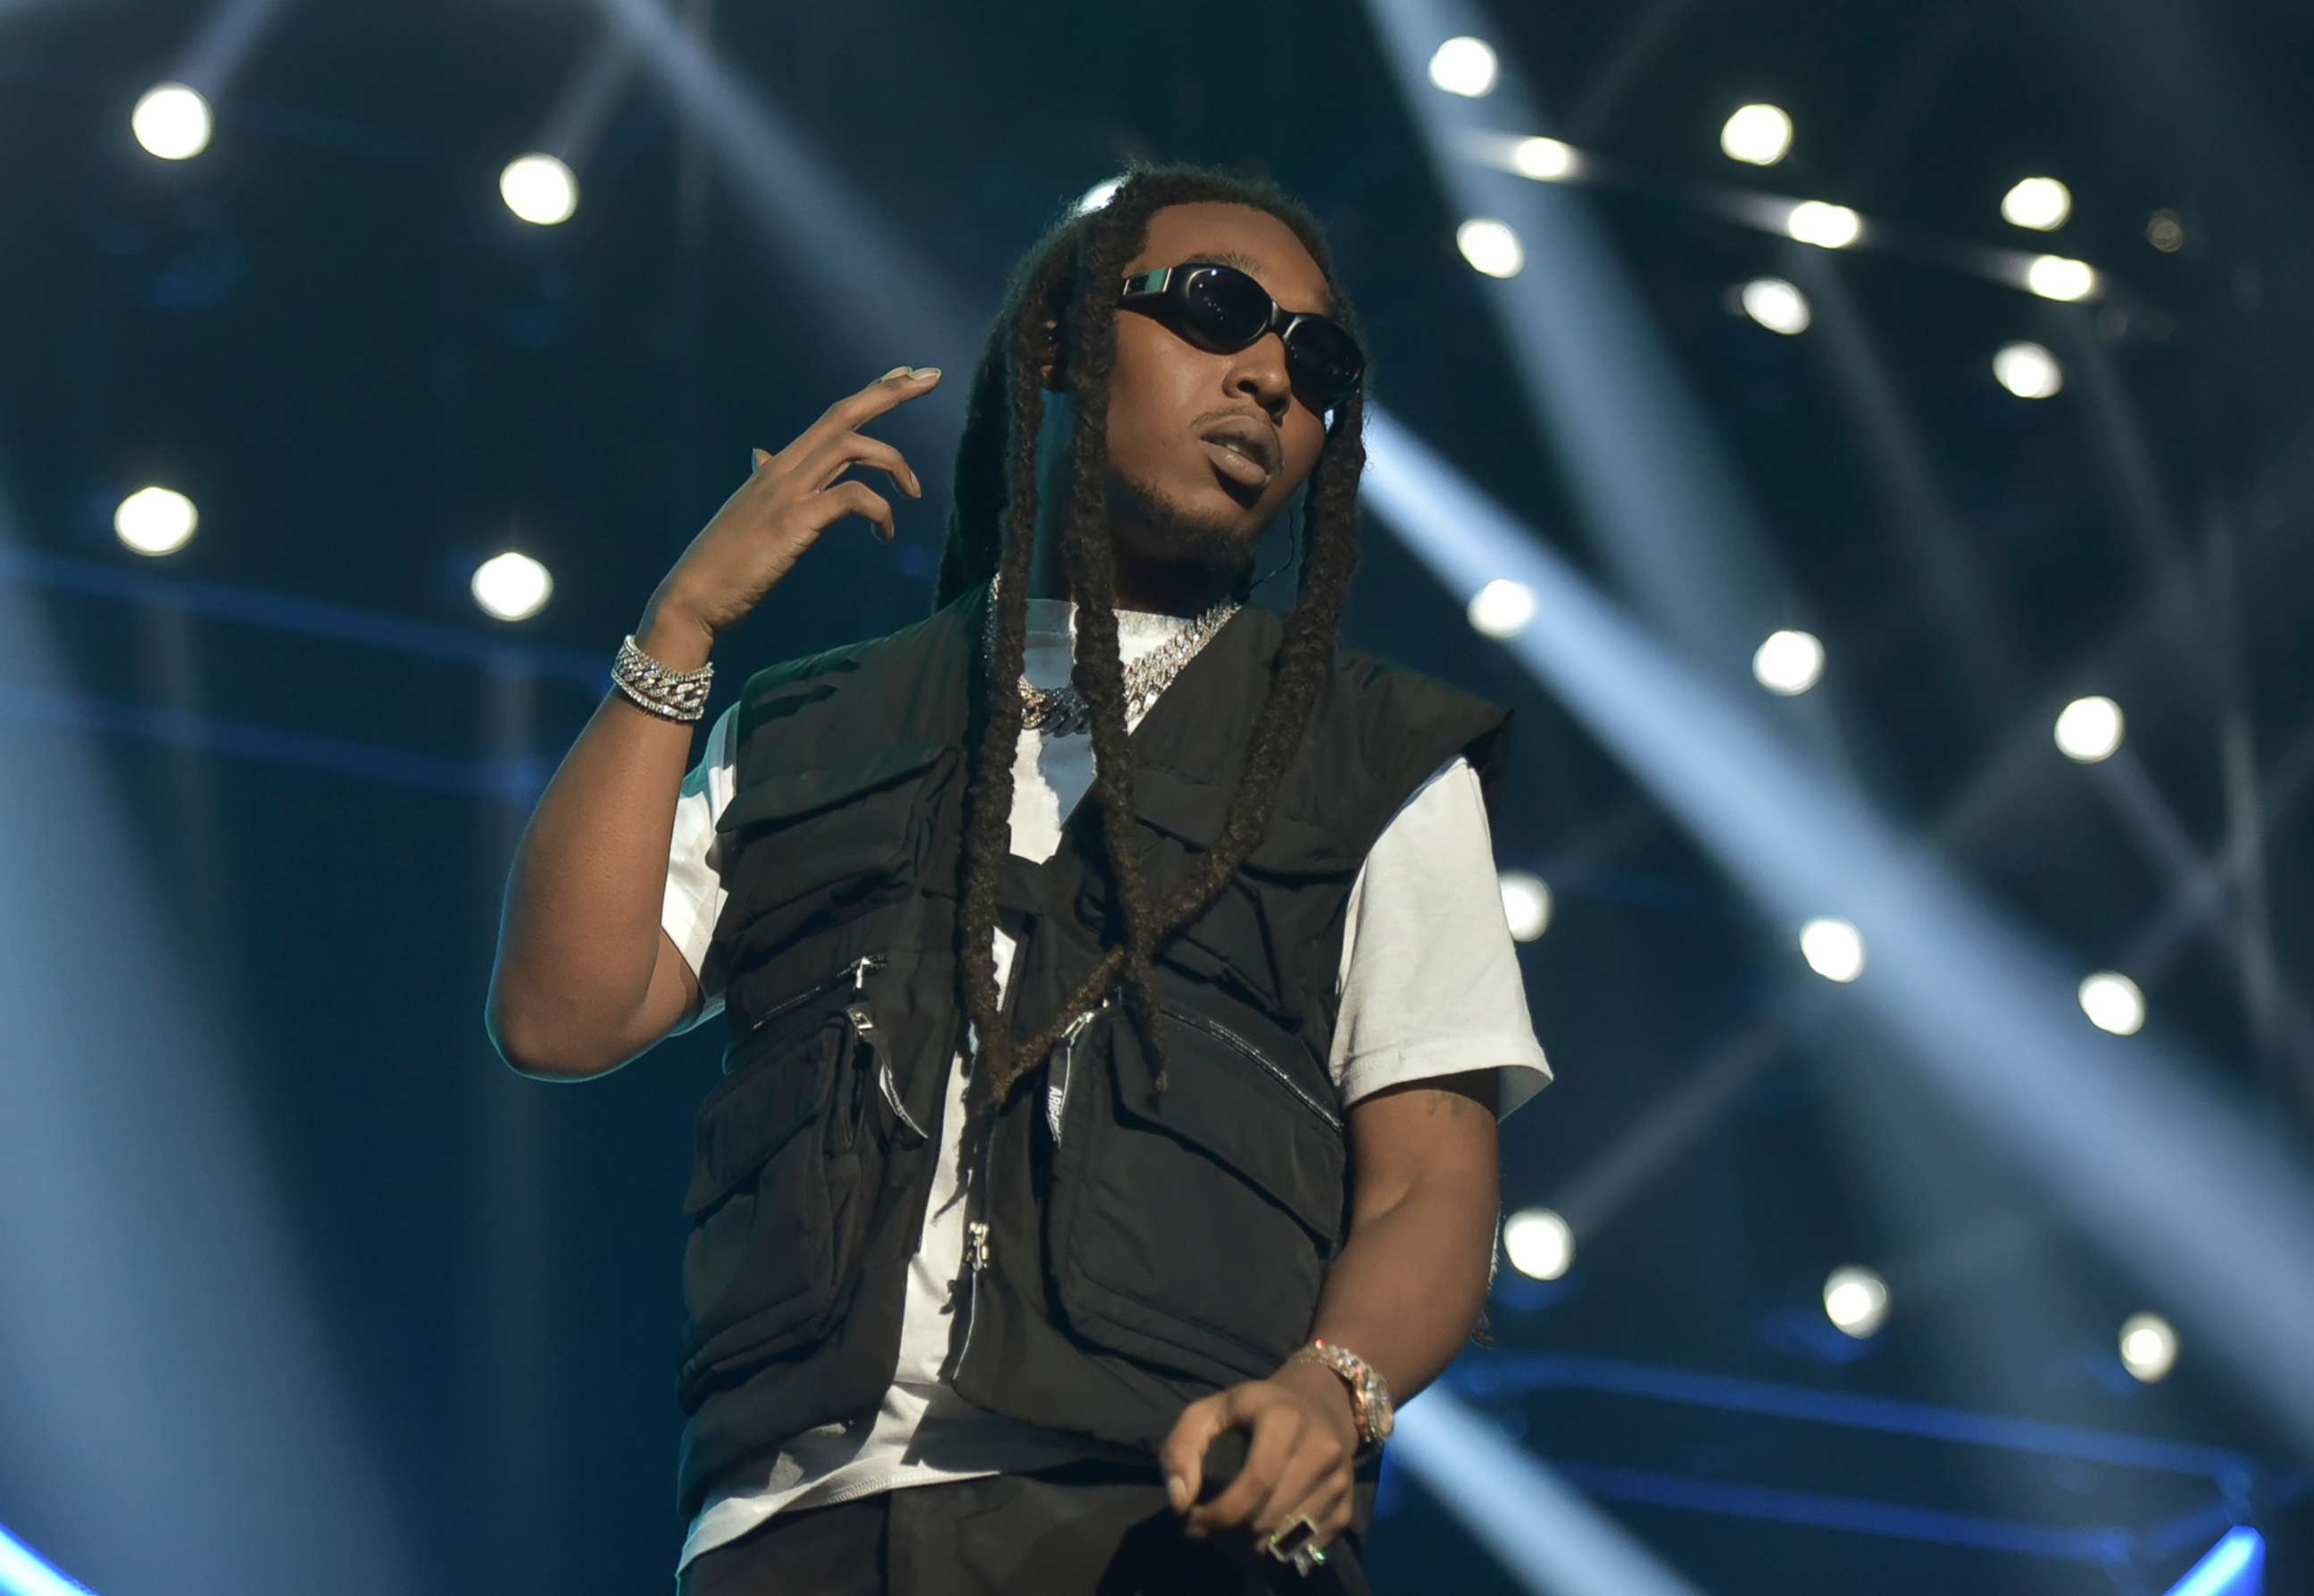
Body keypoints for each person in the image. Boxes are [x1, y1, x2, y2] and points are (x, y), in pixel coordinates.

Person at [487, 160, 1552, 1594]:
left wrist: (1332, 1388)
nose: (1270, 378)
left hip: (1160, 1533)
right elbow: (564, 1014)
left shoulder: (1375, 760)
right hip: (786, 1539)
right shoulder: (815, 727)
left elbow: (1430, 1182)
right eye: (1221, 310)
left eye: (1319, 358)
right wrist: (679, 629)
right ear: (1058, 342)